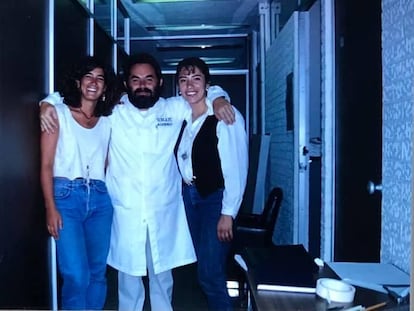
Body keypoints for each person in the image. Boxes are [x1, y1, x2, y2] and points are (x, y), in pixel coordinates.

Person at [39, 53, 235, 311]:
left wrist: (220, 97)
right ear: (126, 84)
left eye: (148, 79)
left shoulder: (175, 108)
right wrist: (46, 102)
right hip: (125, 210)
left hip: (163, 210)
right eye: (135, 80)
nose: (142, 85)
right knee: (128, 283)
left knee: (162, 281)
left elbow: (200, 94)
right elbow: (72, 98)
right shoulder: (113, 110)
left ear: (160, 83)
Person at [40, 56, 119, 310]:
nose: (94, 82)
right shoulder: (58, 113)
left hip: (100, 199)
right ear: (78, 82)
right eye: (88, 76)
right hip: (66, 198)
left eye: (100, 78)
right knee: (76, 274)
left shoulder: (108, 120)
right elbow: (46, 166)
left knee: (97, 272)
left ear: (106, 87)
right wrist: (50, 207)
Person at [175, 57, 248, 311]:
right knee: (206, 270)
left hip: (215, 200)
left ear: (207, 83)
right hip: (191, 198)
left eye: (196, 78)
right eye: (184, 80)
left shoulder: (224, 115)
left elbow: (236, 168)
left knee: (210, 274)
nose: (190, 85)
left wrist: (228, 213)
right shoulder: (183, 115)